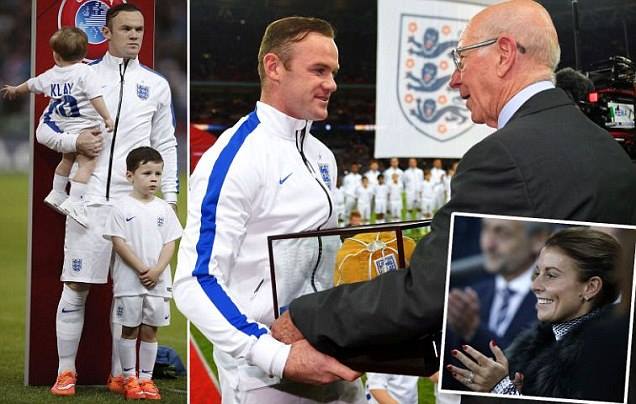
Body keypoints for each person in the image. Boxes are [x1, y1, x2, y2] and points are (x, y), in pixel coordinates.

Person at [271, 0, 636, 393]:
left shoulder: (503, 155)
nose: (454, 80)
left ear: (504, 54)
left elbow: (426, 296)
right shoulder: (609, 149)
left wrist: (308, 315)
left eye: (461, 60)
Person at [172, 16, 364, 403]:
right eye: (319, 70)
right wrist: (277, 356)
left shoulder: (322, 155)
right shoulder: (236, 158)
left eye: (333, 72)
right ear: (274, 67)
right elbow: (195, 281)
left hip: (329, 353)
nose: (331, 84)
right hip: (264, 377)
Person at [39, 4, 178, 397]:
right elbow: (44, 130)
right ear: (107, 32)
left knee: (130, 292)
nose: (134, 35)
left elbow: (166, 143)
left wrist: (170, 197)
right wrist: (74, 141)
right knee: (76, 285)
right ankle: (66, 372)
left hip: (133, 206)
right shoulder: (81, 76)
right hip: (87, 202)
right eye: (126, 28)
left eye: (139, 29)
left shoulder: (156, 85)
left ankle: (122, 375)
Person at [446, 227, 626, 403]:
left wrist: (503, 390)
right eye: (537, 273)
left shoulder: (608, 356)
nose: (535, 286)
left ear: (590, 287)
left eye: (551, 275)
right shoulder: (536, 345)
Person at [1, 27, 114, 227]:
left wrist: (15, 90)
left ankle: (57, 192)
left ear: (56, 55)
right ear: (84, 54)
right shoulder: (85, 72)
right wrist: (107, 117)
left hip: (63, 126)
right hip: (84, 127)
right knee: (87, 163)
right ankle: (75, 202)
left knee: (67, 158)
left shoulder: (50, 75)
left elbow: (31, 85)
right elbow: (95, 97)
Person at [103, 147, 182, 400]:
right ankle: (129, 379)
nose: (153, 179)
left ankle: (147, 380)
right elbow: (118, 242)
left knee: (150, 330)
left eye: (158, 174)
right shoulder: (121, 207)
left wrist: (157, 270)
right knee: (129, 329)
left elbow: (170, 242)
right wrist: (140, 268)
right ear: (130, 176)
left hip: (157, 282)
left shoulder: (164, 209)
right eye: (147, 173)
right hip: (130, 281)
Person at [443, 219, 549, 391]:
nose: (488, 245)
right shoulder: (469, 296)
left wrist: (474, 331)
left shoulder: (555, 301)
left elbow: (535, 376)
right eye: (485, 229)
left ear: (538, 239)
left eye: (503, 233)